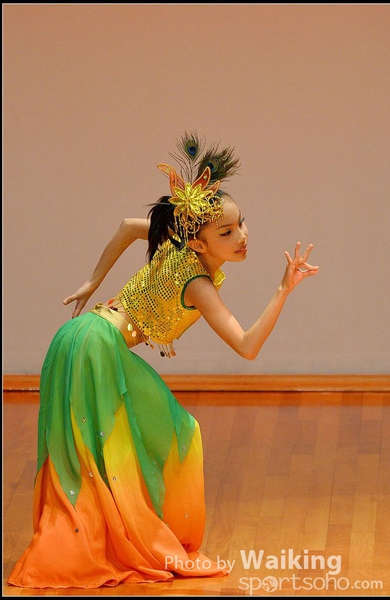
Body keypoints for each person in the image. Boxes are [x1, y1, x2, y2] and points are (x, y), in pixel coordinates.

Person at [7, 133, 319, 589]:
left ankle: (102, 537)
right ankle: (119, 542)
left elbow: (128, 227)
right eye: (226, 233)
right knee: (170, 435)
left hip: (77, 339)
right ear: (199, 244)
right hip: (97, 346)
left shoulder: (176, 243)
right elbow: (247, 346)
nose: (241, 237)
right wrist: (282, 290)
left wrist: (94, 282)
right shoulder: (197, 283)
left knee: (100, 450)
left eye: (241, 224)